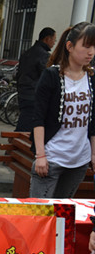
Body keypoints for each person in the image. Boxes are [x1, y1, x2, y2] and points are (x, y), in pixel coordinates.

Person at [30, 22, 95, 198]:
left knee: (62, 211)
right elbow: (38, 117)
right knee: (40, 211)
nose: (91, 52)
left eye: (94, 47)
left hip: (79, 161)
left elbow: (93, 121)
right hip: (51, 158)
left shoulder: (91, 78)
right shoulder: (52, 76)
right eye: (86, 46)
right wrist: (40, 155)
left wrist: (93, 154)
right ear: (70, 46)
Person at [15, 27, 57, 132]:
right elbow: (46, 78)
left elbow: (19, 73)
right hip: (33, 95)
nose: (54, 43)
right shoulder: (44, 55)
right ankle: (16, 141)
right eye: (54, 40)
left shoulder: (27, 52)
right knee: (26, 127)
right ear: (47, 39)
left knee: (26, 123)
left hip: (22, 92)